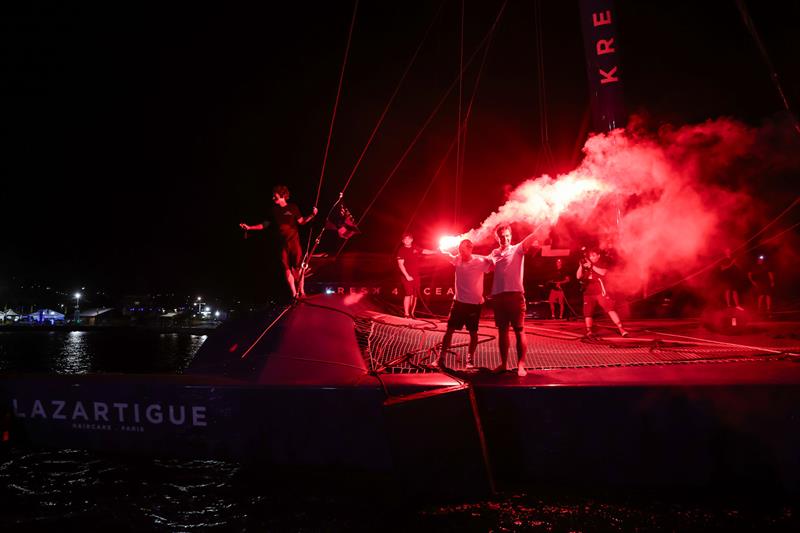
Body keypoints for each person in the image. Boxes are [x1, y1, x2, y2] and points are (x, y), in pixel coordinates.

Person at [239, 185, 317, 299]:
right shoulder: (273, 211)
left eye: (275, 196)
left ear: (282, 196)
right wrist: (250, 227)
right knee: (286, 269)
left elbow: (301, 221)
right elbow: (264, 225)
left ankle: (303, 292)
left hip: (294, 243)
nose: (273, 198)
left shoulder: (293, 207)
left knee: (299, 268)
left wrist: (312, 215)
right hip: (282, 245)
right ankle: (294, 294)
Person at [431, 239, 494, 370]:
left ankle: (469, 360)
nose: (461, 252)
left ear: (470, 249)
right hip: (458, 303)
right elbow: (446, 255)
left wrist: (494, 257)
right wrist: (439, 249)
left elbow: (493, 266)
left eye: (464, 250)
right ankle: (441, 358)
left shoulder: (479, 262)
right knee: (449, 331)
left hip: (474, 304)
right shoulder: (457, 259)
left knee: (473, 333)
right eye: (460, 249)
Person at [489, 224, 539, 377]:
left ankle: (521, 365)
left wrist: (545, 223)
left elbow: (533, 237)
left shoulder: (518, 248)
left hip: (515, 296)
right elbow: (482, 264)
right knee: (502, 331)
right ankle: (503, 364)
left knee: (519, 330)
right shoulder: (494, 253)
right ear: (497, 237)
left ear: (511, 235)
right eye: (502, 236)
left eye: (507, 235)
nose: (505, 238)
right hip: (498, 296)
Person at [576, 248, 629, 338]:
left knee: (610, 309)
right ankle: (589, 331)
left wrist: (591, 266)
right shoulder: (586, 265)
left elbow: (603, 272)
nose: (591, 257)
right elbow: (578, 276)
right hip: (588, 292)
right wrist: (581, 266)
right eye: (590, 256)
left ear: (598, 256)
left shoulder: (602, 263)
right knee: (588, 312)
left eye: (593, 255)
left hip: (600, 291)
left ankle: (621, 329)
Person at [396, 232, 437, 319]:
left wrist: (436, 252)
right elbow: (400, 264)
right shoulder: (401, 250)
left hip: (416, 276)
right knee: (408, 294)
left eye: (408, 239)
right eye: (405, 239)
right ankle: (406, 314)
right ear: (403, 241)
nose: (407, 240)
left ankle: (412, 313)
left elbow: (424, 251)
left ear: (411, 240)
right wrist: (407, 276)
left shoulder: (415, 247)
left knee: (415, 295)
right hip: (406, 276)